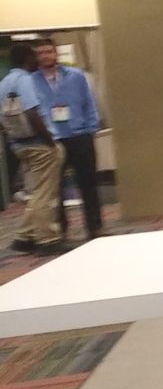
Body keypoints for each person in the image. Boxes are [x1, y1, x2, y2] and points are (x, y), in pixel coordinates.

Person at [31, 37, 104, 240]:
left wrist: (91, 128)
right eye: (41, 53)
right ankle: (61, 230)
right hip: (52, 139)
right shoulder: (32, 81)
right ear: (37, 57)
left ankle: (95, 227)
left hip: (80, 134)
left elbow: (89, 102)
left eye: (49, 51)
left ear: (56, 53)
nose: (46, 56)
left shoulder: (75, 75)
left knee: (88, 183)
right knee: (56, 188)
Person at [2, 43, 66, 254]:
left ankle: (24, 235)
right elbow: (32, 112)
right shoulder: (25, 80)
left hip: (18, 145)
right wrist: (50, 142)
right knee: (45, 194)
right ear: (28, 59)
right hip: (38, 144)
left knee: (36, 190)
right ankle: (47, 239)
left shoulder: (4, 83)